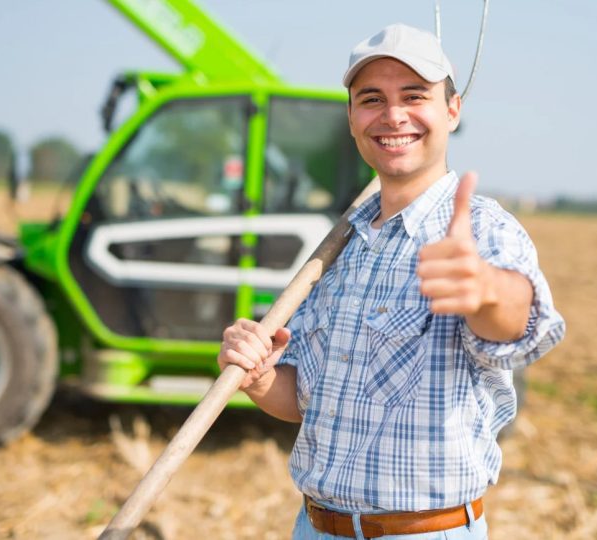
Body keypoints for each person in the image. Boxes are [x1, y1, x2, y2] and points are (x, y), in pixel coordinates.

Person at [218, 22, 566, 540]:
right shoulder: (339, 247)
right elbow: (304, 402)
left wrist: (486, 290)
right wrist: (260, 377)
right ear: (353, 119)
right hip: (314, 526)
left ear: (452, 110)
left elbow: (519, 324)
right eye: (372, 99)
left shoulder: (481, 229)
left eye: (414, 96)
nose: (393, 115)